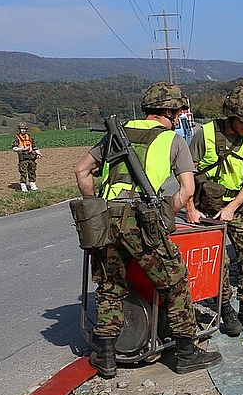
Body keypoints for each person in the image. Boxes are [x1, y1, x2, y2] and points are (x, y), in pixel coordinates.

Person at [73, 82, 223, 378]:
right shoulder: (173, 141)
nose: (179, 116)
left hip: (106, 218)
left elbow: (81, 170)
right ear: (169, 111)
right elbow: (187, 190)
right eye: (178, 111)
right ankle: (185, 351)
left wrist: (95, 203)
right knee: (175, 280)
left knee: (110, 285)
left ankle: (104, 356)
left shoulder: (117, 134)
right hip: (141, 221)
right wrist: (166, 210)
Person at [186, 86, 243, 337]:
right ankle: (226, 310)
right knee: (221, 262)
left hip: (235, 206)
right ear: (231, 115)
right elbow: (186, 173)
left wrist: (232, 207)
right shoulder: (205, 134)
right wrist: (190, 209)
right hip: (207, 209)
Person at [12, 123, 41, 192]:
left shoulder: (29, 137)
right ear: (19, 129)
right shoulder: (17, 137)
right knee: (23, 173)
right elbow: (14, 148)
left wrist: (38, 153)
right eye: (22, 129)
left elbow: (34, 146)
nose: (23, 130)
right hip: (23, 158)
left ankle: (33, 186)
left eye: (24, 129)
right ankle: (24, 187)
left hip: (31, 157)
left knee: (32, 172)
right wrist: (22, 149)